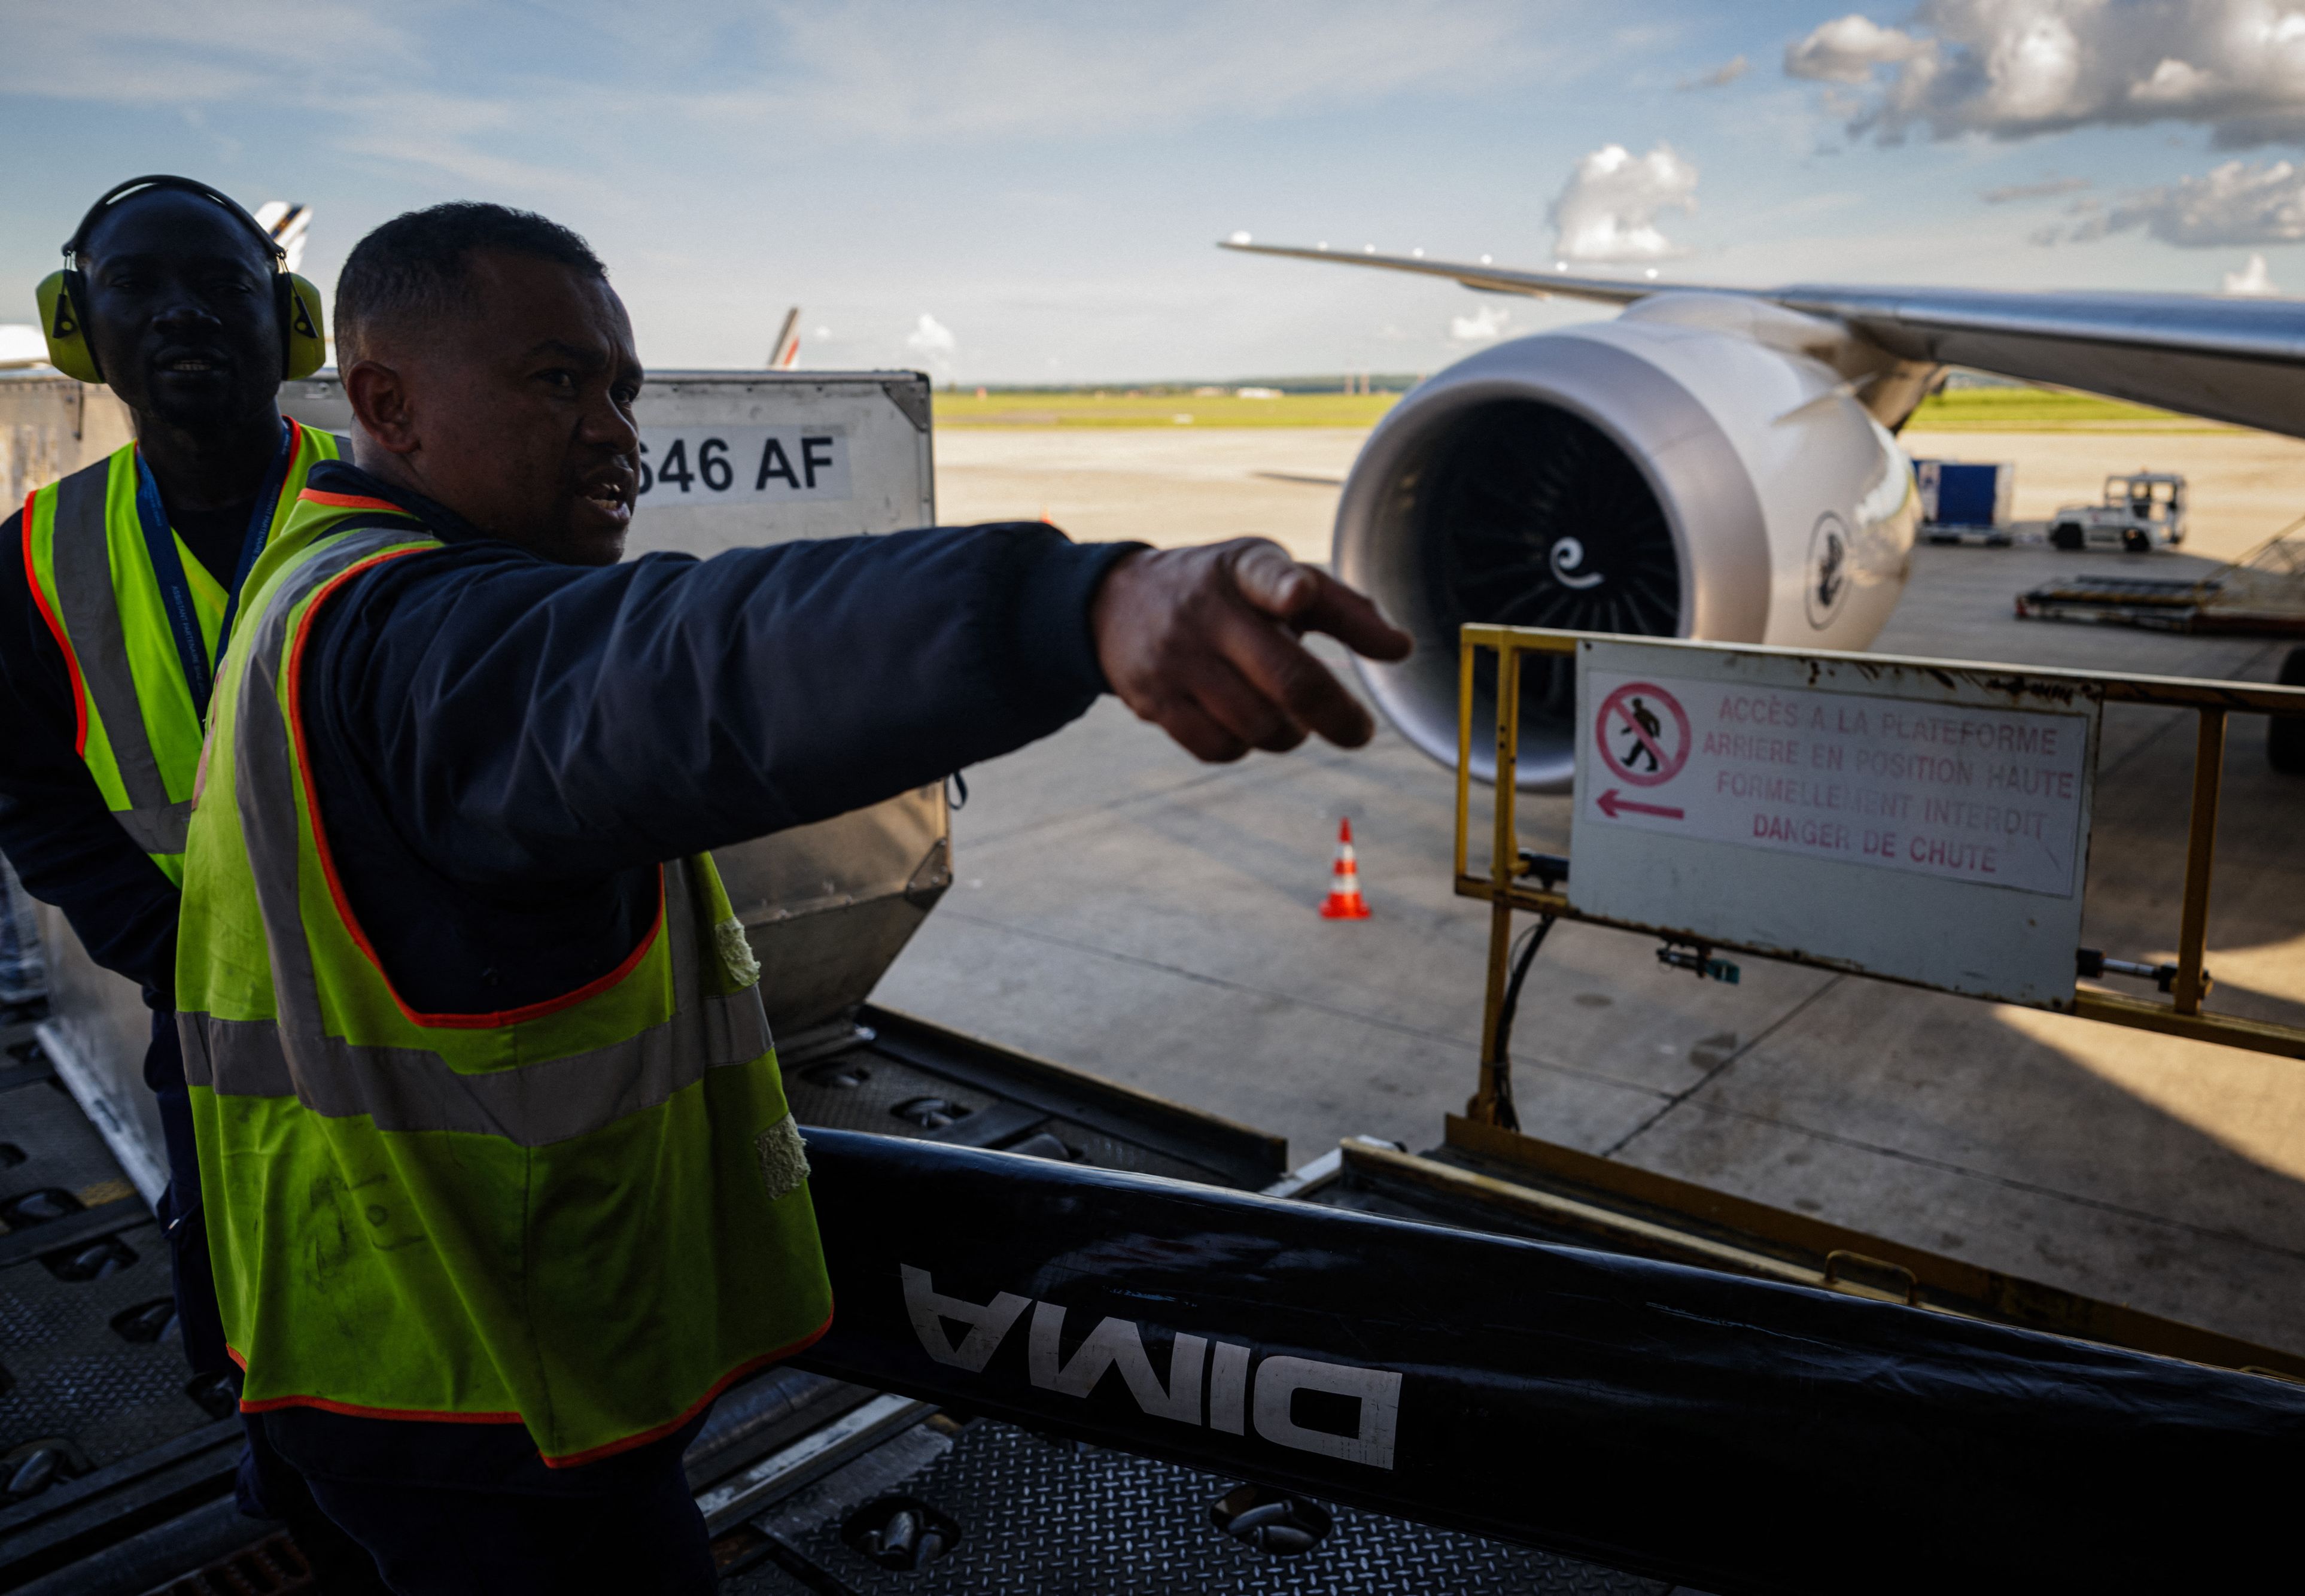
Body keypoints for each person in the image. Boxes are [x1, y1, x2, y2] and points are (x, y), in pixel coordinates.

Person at [176, 201, 1411, 1594]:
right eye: (557, 379)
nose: (615, 432)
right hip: (488, 1395)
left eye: (624, 387)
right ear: (387, 401)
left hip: (361, 1337)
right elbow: (687, 668)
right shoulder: (420, 645)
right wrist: (1072, 609)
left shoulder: (308, 585)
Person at [0, 176, 385, 1587]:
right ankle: (295, 1472)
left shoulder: (385, 502)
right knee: (246, 1278)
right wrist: (157, 943)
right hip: (208, 1009)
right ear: (76, 325)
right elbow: (27, 787)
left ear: (280, 318)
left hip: (413, 992)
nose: (179, 313)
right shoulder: (39, 554)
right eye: (136, 285)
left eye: (219, 284)